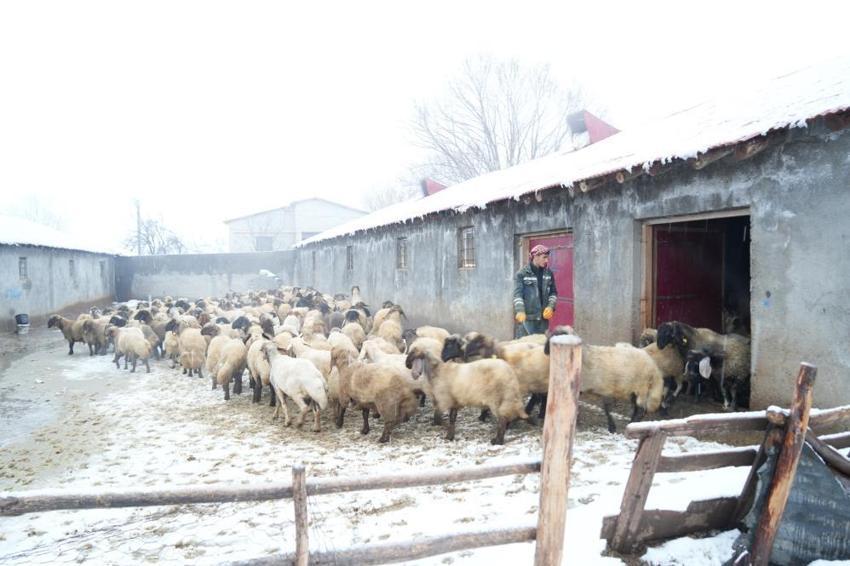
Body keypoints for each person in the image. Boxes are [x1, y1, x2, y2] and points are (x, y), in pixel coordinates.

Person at [513, 244, 557, 336]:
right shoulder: (522, 274)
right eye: (544, 257)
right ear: (535, 256)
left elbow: (553, 293)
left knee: (541, 346)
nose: (546, 260)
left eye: (547, 258)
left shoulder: (548, 273)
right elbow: (518, 295)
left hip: (543, 319)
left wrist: (550, 306)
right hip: (528, 319)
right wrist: (520, 310)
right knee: (525, 346)